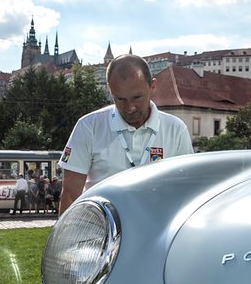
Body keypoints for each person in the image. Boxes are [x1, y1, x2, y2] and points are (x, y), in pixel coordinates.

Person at [58, 55, 193, 213]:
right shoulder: (88, 127)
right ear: (110, 91)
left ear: (152, 86)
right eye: (120, 99)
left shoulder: (176, 130)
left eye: (137, 98)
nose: (130, 108)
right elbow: (70, 195)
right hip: (103, 232)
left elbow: (186, 190)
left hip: (157, 229)